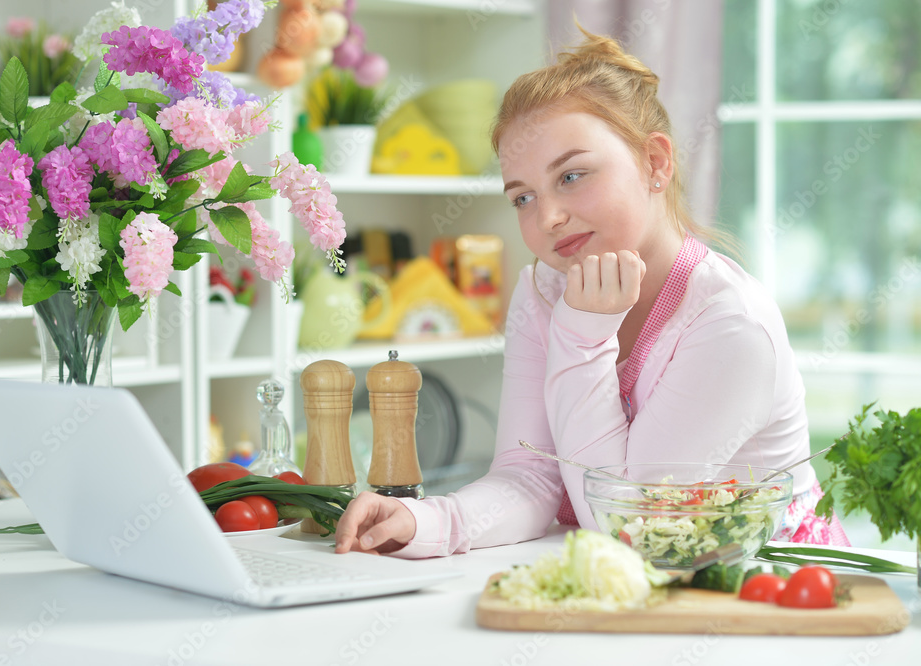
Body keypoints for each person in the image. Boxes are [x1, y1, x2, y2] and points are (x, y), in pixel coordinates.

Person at [335, 30, 849, 558]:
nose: (548, 217)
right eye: (523, 197)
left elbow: (631, 525)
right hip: (649, 588)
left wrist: (581, 338)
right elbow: (530, 476)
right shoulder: (543, 289)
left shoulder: (730, 324)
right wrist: (426, 522)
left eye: (573, 175)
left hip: (767, 594)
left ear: (655, 162)